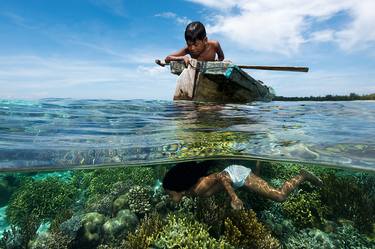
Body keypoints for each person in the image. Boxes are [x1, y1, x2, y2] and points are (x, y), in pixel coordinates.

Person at [162, 161, 323, 210]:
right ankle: (257, 167)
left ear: (178, 188)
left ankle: (302, 175)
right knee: (262, 182)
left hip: (238, 175)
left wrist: (234, 197)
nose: (169, 197)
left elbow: (221, 175)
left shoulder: (199, 188)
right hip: (237, 177)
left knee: (280, 196)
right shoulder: (191, 191)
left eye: (169, 193)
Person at [156, 21, 224, 67]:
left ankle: (162, 63)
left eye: (196, 45)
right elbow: (168, 58)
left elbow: (221, 57)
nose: (192, 48)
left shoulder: (214, 45)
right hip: (195, 72)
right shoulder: (188, 49)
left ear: (205, 40)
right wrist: (182, 57)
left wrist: (215, 64)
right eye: (189, 44)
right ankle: (162, 63)